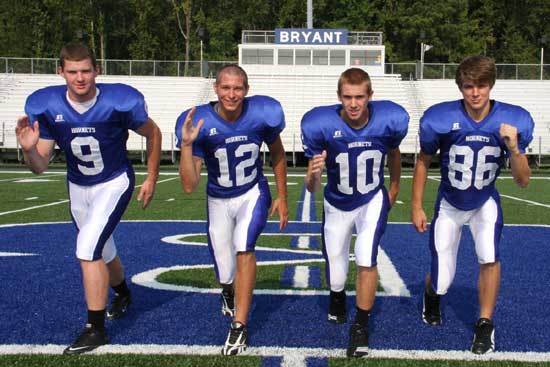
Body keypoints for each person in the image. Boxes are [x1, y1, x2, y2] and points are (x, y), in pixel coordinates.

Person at [16, 42, 162, 354]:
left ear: (97, 70)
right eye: (72, 71)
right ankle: (123, 292)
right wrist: (29, 149)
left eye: (85, 70)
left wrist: (151, 177)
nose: (80, 78)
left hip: (114, 181)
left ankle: (95, 329)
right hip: (78, 186)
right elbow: (40, 167)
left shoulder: (119, 101)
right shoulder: (46, 105)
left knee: (87, 248)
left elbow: (153, 133)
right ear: (61, 72)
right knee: (103, 248)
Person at [411, 55, 533, 354]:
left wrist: (514, 149)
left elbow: (523, 181)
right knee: (442, 279)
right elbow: (423, 161)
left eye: (481, 85)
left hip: (484, 201)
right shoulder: (439, 118)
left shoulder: (512, 120)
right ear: (460, 87)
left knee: (489, 256)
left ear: (491, 85)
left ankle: (484, 324)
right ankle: (432, 294)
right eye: (468, 86)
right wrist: (416, 204)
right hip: (450, 203)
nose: (475, 93)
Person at [175, 64, 288, 355]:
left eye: (238, 88)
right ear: (216, 89)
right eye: (225, 87)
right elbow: (189, 185)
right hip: (218, 199)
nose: (232, 94)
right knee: (225, 272)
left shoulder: (262, 114)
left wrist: (282, 195)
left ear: (246, 90)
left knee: (244, 248)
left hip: (252, 192)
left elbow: (277, 152)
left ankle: (240, 325)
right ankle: (228, 291)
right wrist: (186, 146)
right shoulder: (199, 122)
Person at [301, 67, 409, 357]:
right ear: (339, 96)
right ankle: (337, 296)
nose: (353, 103)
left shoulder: (389, 121)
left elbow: (394, 152)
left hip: (370, 199)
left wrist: (395, 187)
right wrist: (313, 175)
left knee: (365, 256)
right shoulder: (320, 124)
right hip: (336, 203)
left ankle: (360, 325)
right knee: (336, 271)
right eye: (347, 97)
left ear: (370, 96)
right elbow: (312, 188)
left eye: (359, 97)